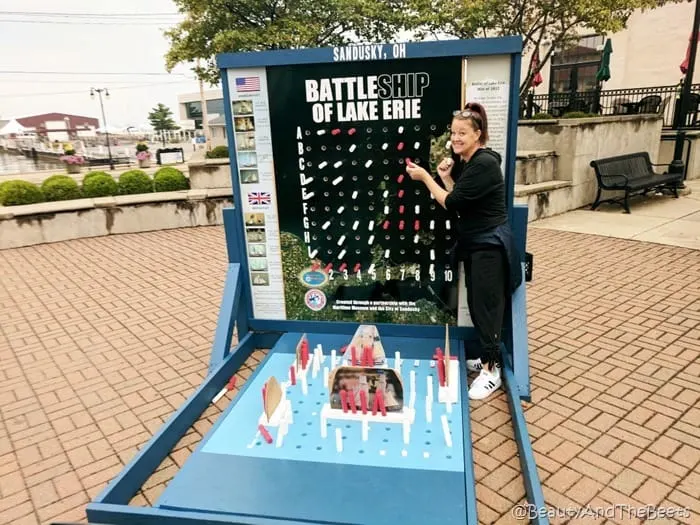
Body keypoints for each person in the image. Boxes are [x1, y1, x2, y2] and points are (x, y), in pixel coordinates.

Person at [405, 102, 522, 400]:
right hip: (477, 245)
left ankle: (491, 370)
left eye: (462, 133)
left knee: (486, 308)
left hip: (489, 247)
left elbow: (454, 204)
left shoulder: (484, 163)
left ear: (477, 134)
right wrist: (445, 178)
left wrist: (427, 178)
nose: (455, 138)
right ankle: (486, 359)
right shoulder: (472, 163)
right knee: (478, 304)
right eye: (453, 133)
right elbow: (459, 198)